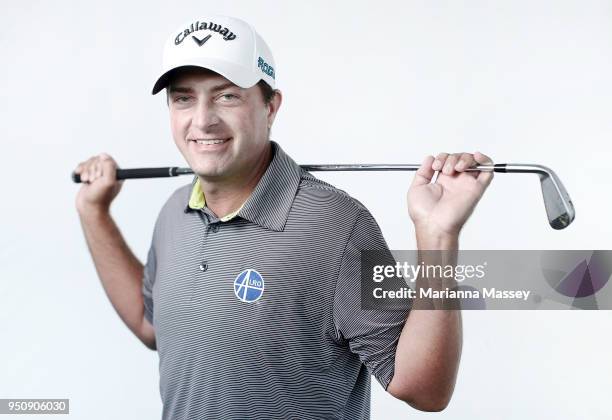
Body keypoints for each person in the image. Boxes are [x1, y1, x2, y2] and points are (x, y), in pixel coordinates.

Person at [74, 15, 493, 419]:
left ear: (270, 106)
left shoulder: (336, 225)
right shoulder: (174, 214)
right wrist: (94, 213)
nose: (202, 120)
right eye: (184, 98)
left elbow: (424, 389)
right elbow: (153, 326)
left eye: (226, 95)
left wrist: (437, 236)